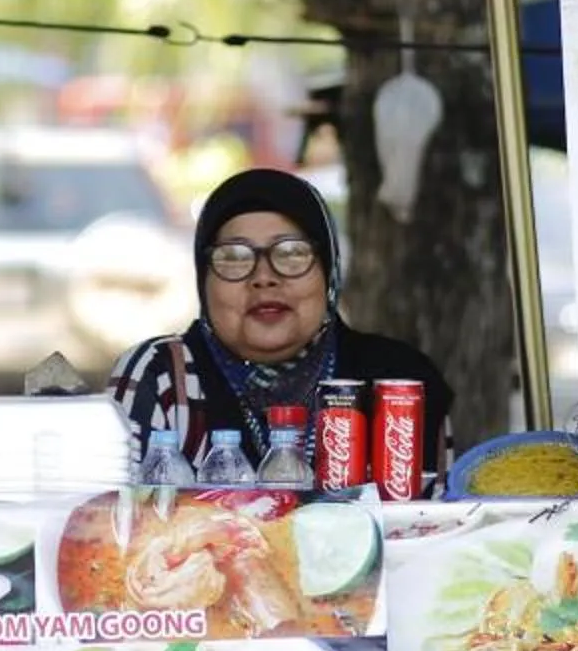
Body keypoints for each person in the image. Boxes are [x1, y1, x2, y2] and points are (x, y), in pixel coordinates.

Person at [109, 166, 454, 472]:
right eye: (234, 258)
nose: (264, 277)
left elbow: (434, 527)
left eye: (292, 254)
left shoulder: (399, 381)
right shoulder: (161, 376)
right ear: (203, 281)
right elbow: (114, 525)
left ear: (329, 273)